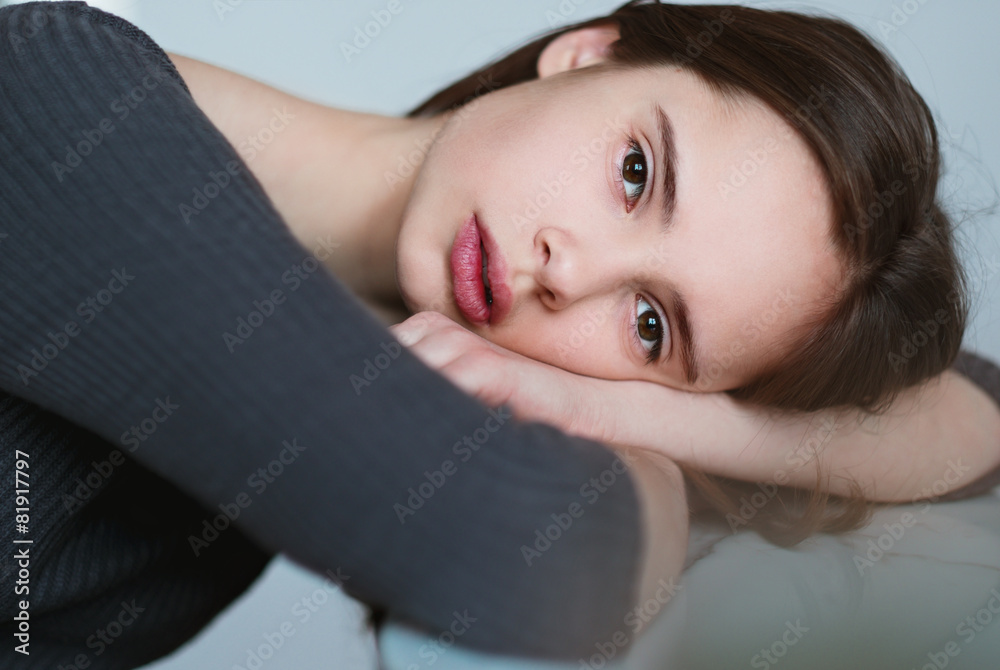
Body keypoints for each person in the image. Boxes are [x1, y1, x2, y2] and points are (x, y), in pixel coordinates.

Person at [0, 3, 997, 670]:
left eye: (651, 323)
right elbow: (514, 548)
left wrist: (623, 409)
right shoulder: (55, 100)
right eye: (637, 175)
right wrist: (638, 419)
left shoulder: (291, 430)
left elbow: (975, 412)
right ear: (588, 53)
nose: (571, 269)